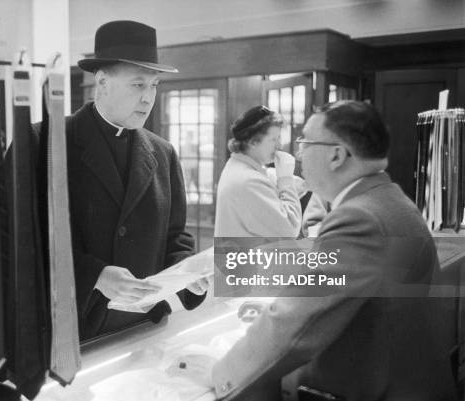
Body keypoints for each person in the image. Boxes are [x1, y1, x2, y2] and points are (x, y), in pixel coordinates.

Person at [172, 101, 458, 400]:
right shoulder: (390, 200)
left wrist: (221, 373)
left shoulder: (360, 217)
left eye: (305, 143)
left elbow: (296, 319)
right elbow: (344, 298)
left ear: (336, 155)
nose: (296, 155)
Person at [65, 20, 209, 340]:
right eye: (138, 85)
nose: (148, 98)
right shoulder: (48, 144)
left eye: (154, 85)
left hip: (147, 327)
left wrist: (188, 273)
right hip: (74, 334)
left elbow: (175, 236)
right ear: (102, 82)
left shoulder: (163, 153)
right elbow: (28, 245)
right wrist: (95, 275)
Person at [214, 106, 301, 238]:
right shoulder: (249, 181)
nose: (279, 145)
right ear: (253, 142)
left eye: (279, 138)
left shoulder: (239, 167)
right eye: (274, 139)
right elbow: (290, 229)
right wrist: (286, 179)